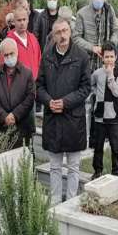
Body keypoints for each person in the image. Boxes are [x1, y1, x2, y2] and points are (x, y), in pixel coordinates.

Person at [37, 17, 91, 204]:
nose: (62, 35)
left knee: (74, 166)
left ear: (71, 31)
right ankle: (54, 204)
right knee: (55, 166)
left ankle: (71, 203)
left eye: (65, 31)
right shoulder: (47, 56)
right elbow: (39, 86)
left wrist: (65, 102)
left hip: (73, 118)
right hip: (53, 118)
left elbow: (85, 88)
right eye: (58, 32)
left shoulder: (82, 56)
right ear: (53, 36)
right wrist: (48, 101)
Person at [0, 38, 35, 150]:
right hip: (1, 127)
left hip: (22, 127)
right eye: (6, 55)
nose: (9, 57)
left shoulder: (27, 73)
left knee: (21, 163)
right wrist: (4, 116)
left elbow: (30, 97)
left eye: (11, 53)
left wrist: (15, 115)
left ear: (17, 52)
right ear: (2, 56)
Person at [90, 42, 118, 179]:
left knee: (115, 145)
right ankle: (97, 170)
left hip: (113, 114)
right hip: (99, 114)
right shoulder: (97, 73)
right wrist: (96, 95)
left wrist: (110, 76)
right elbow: (91, 84)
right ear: (102, 58)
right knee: (98, 145)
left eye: (111, 56)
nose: (109, 59)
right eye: (106, 57)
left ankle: (117, 171)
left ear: (115, 57)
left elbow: (116, 92)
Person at [74, 0, 118, 73]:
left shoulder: (109, 11)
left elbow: (115, 31)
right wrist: (92, 48)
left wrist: (110, 46)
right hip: (87, 64)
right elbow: (76, 38)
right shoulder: (81, 14)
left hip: (106, 65)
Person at [0, 6, 41, 80]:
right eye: (19, 20)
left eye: (24, 19)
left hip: (34, 86)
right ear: (14, 22)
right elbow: (3, 69)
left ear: (28, 20)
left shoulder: (33, 39)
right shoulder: (8, 42)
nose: (22, 23)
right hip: (17, 87)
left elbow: (39, 61)